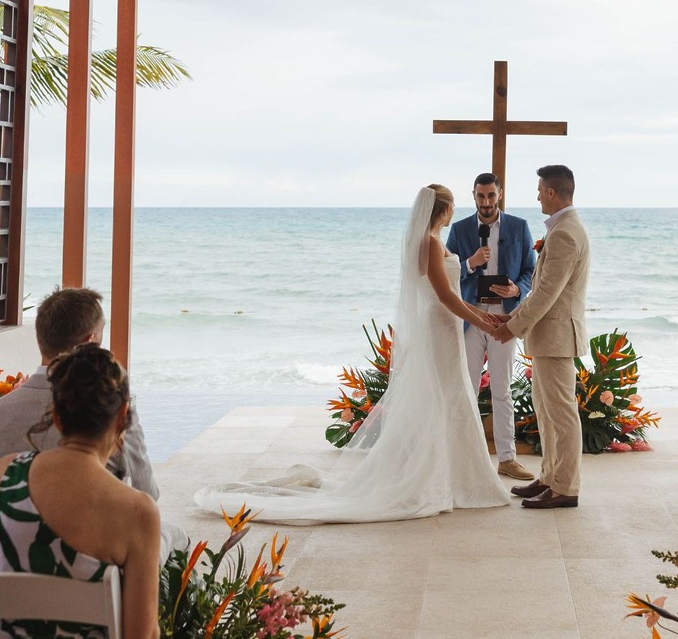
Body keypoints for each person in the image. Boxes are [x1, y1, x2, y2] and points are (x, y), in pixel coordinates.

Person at [194, 185, 511, 523]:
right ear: (444, 210)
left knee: (450, 399)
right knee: (442, 399)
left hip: (445, 327)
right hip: (438, 328)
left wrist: (485, 318)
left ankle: (454, 477)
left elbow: (449, 296)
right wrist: (481, 320)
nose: (453, 213)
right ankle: (441, 480)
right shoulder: (430, 243)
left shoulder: (431, 241)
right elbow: (445, 296)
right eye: (452, 207)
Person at [0, 344, 161, 638]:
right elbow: (141, 634)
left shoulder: (5, 473)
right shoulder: (137, 512)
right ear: (121, 417)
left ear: (57, 416)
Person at [0, 287, 156, 496]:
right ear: (90, 341)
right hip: (92, 524)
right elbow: (145, 490)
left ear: (40, 338)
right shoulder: (107, 407)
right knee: (170, 530)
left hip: (8, 526)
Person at [494, 165, 589, 509]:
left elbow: (547, 292)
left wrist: (512, 327)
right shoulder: (562, 228)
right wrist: (513, 318)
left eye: (539, 190)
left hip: (558, 337)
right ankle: (550, 477)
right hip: (549, 337)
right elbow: (539, 291)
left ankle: (565, 487)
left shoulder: (565, 233)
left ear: (552, 192)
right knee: (547, 412)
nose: (536, 196)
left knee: (562, 415)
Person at [446, 172, 536, 481]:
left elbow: (531, 270)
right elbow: (445, 275)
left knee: (502, 390)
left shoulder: (519, 227)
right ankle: (466, 458)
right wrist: (470, 263)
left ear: (500, 195)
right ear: (473, 196)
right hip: (470, 317)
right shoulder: (458, 231)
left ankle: (507, 459)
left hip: (504, 319)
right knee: (467, 389)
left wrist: (518, 291)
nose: (486, 202)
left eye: (491, 196)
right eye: (480, 196)